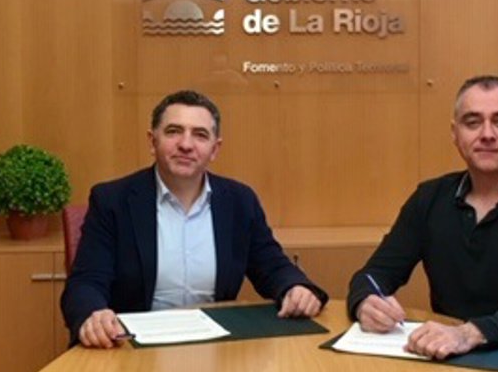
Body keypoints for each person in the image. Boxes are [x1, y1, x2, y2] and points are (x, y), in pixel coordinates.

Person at [61, 90, 328, 348]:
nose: (186, 145)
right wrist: (93, 315)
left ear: (214, 149)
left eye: (200, 135)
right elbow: (86, 281)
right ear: (152, 141)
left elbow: (271, 265)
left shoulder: (239, 201)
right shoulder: (112, 200)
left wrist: (295, 287)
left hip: (216, 348)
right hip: (133, 348)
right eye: (173, 131)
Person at [346, 75, 498, 360]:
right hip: (451, 358)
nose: (487, 134)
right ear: (455, 133)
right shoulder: (429, 198)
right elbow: (373, 275)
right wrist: (366, 302)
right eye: (472, 122)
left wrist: (468, 334)